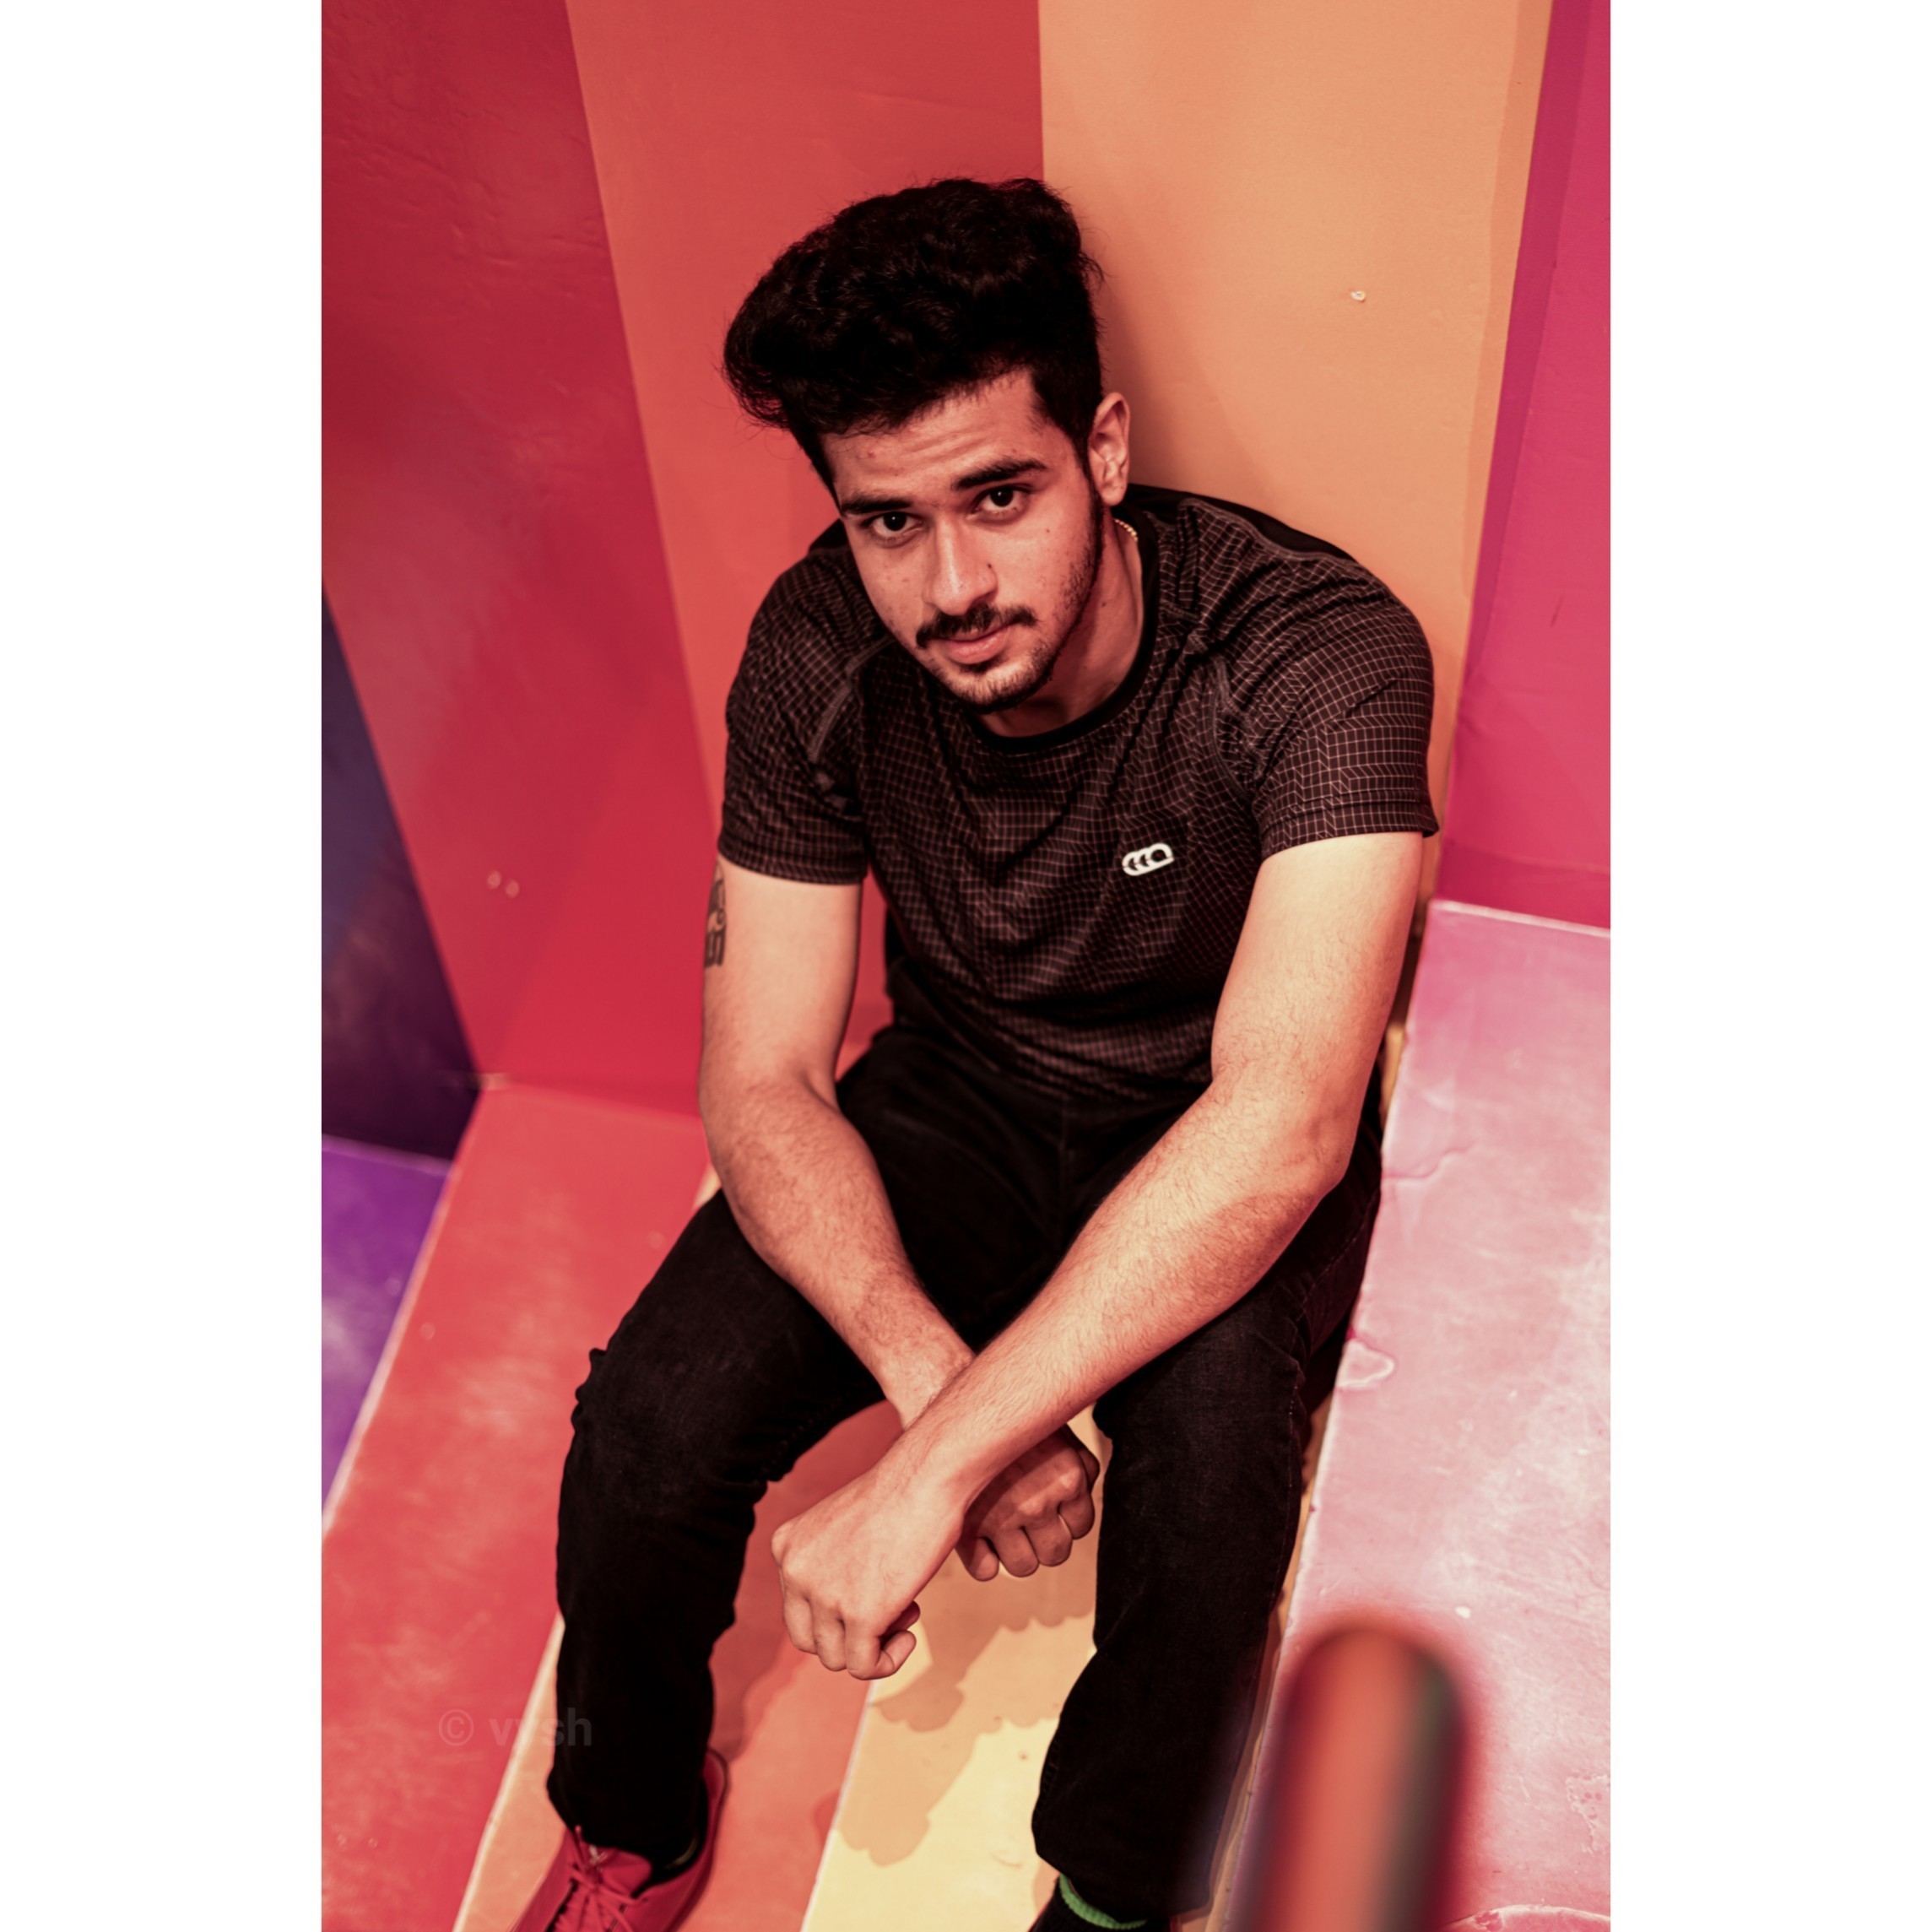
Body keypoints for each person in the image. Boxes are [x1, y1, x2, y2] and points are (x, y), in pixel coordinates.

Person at [512, 176, 1437, 1932]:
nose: (949, 586)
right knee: (646, 1419)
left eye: (998, 496)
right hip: (968, 1087)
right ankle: (631, 1816)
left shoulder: (1313, 652)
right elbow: (763, 1078)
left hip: (1212, 1112)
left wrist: (922, 1474)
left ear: (1102, 448)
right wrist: (951, 1391)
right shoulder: (815, 650)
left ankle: (1111, 1898)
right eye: (886, 522)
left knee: (1213, 1497)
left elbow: (1284, 1117)